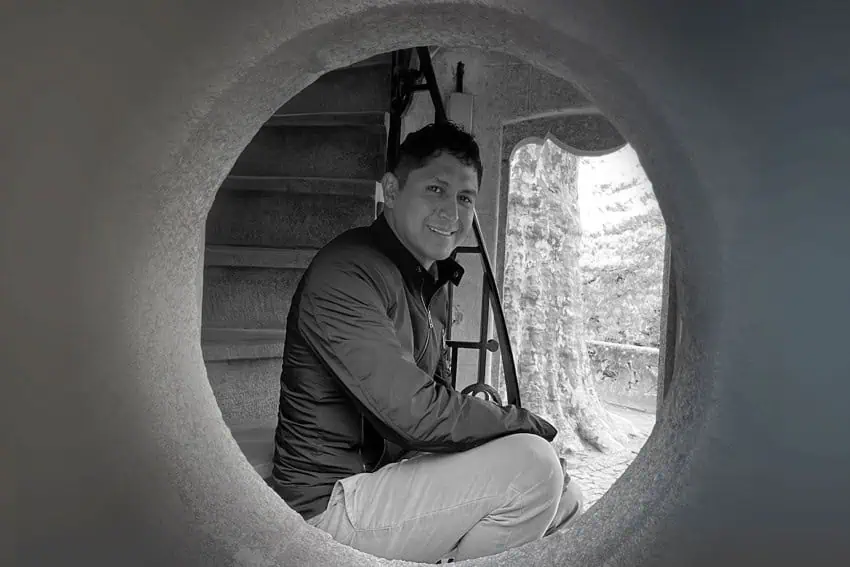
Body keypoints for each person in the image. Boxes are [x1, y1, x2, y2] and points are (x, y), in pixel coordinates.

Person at [270, 121, 584, 563]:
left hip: (384, 477)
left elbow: (430, 407)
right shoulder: (346, 273)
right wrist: (524, 423)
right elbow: (414, 415)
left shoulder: (423, 278)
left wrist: (497, 430)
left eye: (465, 198)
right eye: (435, 189)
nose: (452, 214)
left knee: (568, 501)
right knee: (532, 469)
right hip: (329, 504)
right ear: (392, 190)